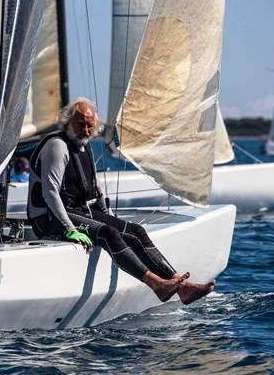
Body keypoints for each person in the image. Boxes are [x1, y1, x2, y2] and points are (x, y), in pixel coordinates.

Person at [27, 97, 214, 305]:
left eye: (90, 125)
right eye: (80, 124)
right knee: (109, 233)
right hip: (48, 218)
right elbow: (50, 193)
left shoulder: (84, 146)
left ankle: (181, 286)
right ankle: (157, 285)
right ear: (67, 122)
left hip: (78, 212)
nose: (85, 130)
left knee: (135, 231)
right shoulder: (57, 146)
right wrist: (69, 228)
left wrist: (109, 216)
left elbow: (95, 191)